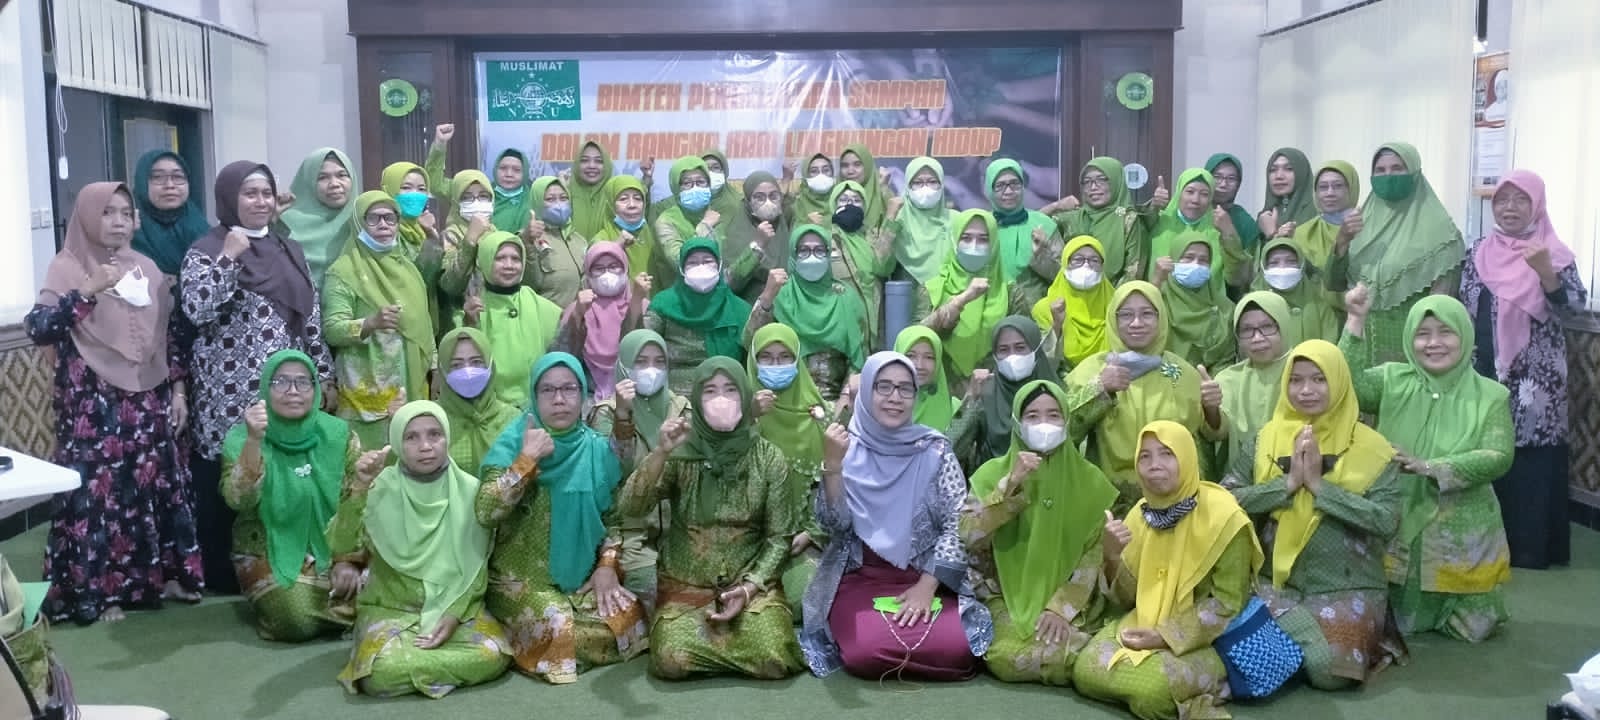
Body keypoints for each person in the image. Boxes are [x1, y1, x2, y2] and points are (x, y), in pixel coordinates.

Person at [28, 181, 203, 623]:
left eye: (126, 213)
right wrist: (86, 292)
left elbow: (169, 337)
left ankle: (160, 578)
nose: (119, 222)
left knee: (153, 485)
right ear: (88, 217)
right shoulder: (67, 267)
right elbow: (39, 327)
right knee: (99, 496)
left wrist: (178, 390)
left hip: (147, 397)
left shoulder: (146, 267)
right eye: (107, 212)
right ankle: (102, 593)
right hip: (91, 404)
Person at [182, 160, 335, 595]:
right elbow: (197, 309)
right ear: (229, 199)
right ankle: (223, 573)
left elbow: (309, 316)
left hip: (283, 389)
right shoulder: (206, 250)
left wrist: (324, 374)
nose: (261, 201)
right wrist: (230, 258)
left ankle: (277, 564)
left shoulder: (288, 249)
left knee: (279, 472)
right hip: (227, 392)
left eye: (267, 193)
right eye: (250, 193)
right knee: (232, 473)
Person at [801, 352, 993, 681]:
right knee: (865, 650)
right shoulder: (845, 448)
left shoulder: (935, 450)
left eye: (905, 388)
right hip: (861, 577)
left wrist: (926, 587)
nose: (895, 397)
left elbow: (956, 524)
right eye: (884, 386)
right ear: (867, 392)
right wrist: (832, 466)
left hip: (924, 577)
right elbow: (834, 525)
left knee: (958, 648)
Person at [1223, 340, 1405, 688]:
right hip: (1275, 583)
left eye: (1319, 379)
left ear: (1338, 382)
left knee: (1329, 673)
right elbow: (1224, 500)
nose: (1306, 390)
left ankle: (1280, 647)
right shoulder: (1265, 440)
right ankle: (1292, 641)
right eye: (1296, 380)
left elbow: (1386, 521)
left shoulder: (1374, 449)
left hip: (1347, 586)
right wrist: (1288, 484)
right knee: (1232, 632)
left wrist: (1321, 489)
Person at [617, 358, 806, 680]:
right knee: (671, 660)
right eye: (710, 391)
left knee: (775, 656)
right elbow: (631, 506)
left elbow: (779, 538)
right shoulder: (681, 453)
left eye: (731, 390)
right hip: (686, 585)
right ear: (696, 400)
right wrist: (661, 453)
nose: (721, 399)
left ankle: (722, 644)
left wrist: (749, 588)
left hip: (749, 584)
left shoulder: (768, 457)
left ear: (745, 397)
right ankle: (727, 649)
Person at [1343, 292, 1516, 642]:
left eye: (1445, 332)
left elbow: (1499, 455)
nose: (1433, 343)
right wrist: (1355, 320)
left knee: (1475, 626)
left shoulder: (1491, 395)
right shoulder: (1392, 380)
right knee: (1390, 616)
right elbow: (1345, 384)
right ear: (1409, 338)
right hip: (1398, 506)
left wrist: (1431, 467)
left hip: (1461, 518)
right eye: (1422, 334)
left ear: (1465, 336)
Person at [476, 353, 649, 683]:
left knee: (632, 619)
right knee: (559, 628)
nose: (559, 399)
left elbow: (613, 518)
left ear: (583, 396)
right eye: (548, 390)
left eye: (569, 389)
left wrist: (606, 567)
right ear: (534, 395)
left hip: (582, 579)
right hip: (521, 580)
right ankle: (537, 634)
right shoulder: (515, 442)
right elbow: (486, 512)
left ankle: (532, 639)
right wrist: (526, 460)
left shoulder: (595, 449)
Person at [1072, 421, 1262, 720]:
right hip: (1143, 621)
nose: (1154, 465)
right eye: (1144, 456)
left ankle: (1204, 687)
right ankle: (1178, 692)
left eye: (1166, 454)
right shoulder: (1141, 513)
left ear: (1186, 457)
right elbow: (1126, 599)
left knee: (1151, 694)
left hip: (1210, 639)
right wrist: (1111, 556)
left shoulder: (1225, 517)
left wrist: (1164, 636)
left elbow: (1227, 604)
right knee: (1085, 671)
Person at [332, 402, 512, 698]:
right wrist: (359, 489)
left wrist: (454, 614)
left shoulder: (469, 490)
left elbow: (476, 565)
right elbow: (343, 545)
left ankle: (415, 671)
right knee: (381, 672)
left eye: (434, 435)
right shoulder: (378, 488)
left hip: (456, 606)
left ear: (447, 438)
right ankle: (424, 670)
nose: (425, 446)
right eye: (411, 437)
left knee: (493, 654)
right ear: (397, 442)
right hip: (391, 609)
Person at [1460, 169, 1587, 569]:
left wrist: (1546, 273)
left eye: (1520, 200)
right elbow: (1464, 307)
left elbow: (1574, 310)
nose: (1510, 208)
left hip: (1535, 377)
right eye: (1502, 200)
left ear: (1537, 206)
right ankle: (1485, 544)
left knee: (1529, 455)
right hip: (1482, 369)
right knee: (1486, 448)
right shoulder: (1478, 252)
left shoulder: (1554, 253)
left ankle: (1529, 548)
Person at [962, 380, 1119, 686]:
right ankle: (1080, 660)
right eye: (1032, 416)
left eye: (1053, 415)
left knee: (1062, 646)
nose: (1043, 424)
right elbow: (970, 537)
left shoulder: (1091, 481)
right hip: (1005, 594)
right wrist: (1010, 486)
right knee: (1007, 657)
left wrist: (1060, 609)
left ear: (1067, 421)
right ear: (1017, 423)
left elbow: (1093, 554)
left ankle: (1082, 654)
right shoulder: (991, 474)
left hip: (1073, 599)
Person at [220, 350, 356, 641]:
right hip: (266, 548)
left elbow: (357, 501)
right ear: (265, 388)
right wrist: (254, 442)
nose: (293, 391)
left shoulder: (338, 434)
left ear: (316, 390)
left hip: (336, 547)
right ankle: (353, 613)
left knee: (397, 582)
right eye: (280, 382)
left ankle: (336, 603)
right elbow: (239, 500)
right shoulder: (241, 438)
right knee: (294, 619)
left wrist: (347, 559)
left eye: (303, 382)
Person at [1067, 282, 1220, 506]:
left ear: (1161, 318)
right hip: (1112, 502)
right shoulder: (1091, 371)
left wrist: (1212, 410)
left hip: (1178, 499)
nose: (1136, 323)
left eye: (1147, 314)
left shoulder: (1184, 373)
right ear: (1113, 319)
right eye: (1126, 315)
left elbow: (1208, 438)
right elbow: (1065, 432)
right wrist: (1099, 389)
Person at [1326, 141, 1464, 367]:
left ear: (1415, 173)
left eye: (1397, 168)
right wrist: (1342, 241)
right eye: (1380, 170)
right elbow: (1333, 283)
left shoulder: (1441, 235)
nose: (1388, 176)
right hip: (1362, 347)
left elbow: (1441, 308)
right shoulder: (1360, 223)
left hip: (1413, 354)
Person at [322, 191, 437, 450]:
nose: (383, 224)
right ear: (359, 223)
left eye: (390, 218)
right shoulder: (343, 272)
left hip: (413, 384)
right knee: (368, 464)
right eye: (373, 218)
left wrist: (435, 368)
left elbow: (424, 323)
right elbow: (332, 329)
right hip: (368, 396)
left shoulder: (408, 268)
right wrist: (369, 323)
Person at [587, 329, 691, 610]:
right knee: (652, 592)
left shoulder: (681, 409)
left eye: (659, 362)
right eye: (641, 362)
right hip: (629, 534)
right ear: (624, 366)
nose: (651, 370)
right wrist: (623, 416)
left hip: (678, 530)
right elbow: (611, 475)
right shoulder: (606, 413)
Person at [745, 323, 831, 617]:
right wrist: (749, 418)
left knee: (803, 601)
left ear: (798, 361)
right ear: (754, 362)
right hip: (747, 540)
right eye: (766, 358)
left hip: (799, 540)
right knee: (746, 603)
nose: (776, 365)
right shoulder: (737, 416)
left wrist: (811, 533)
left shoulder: (820, 418)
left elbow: (832, 487)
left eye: (784, 357)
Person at [751, 224, 869, 399]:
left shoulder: (846, 297)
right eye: (803, 251)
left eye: (819, 250)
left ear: (828, 254)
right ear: (793, 255)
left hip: (837, 400)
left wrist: (843, 403)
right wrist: (767, 297)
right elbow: (751, 343)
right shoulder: (780, 294)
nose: (812, 257)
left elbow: (858, 357)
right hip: (785, 399)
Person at [460, 231, 564, 409]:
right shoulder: (475, 307)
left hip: (536, 405)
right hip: (491, 408)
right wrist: (470, 322)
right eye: (500, 258)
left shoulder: (536, 302)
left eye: (515, 259)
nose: (509, 265)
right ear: (485, 260)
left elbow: (565, 336)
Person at [918, 209, 1013, 392]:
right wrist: (962, 300)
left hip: (995, 388)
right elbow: (916, 337)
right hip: (939, 388)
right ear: (954, 241)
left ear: (994, 244)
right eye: (966, 238)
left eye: (983, 239)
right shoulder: (933, 289)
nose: (974, 246)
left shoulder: (1009, 292)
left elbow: (1024, 345)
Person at [643, 238, 754, 393]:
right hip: (675, 397)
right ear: (681, 268)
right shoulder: (663, 304)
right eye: (692, 263)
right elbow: (643, 345)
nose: (701, 267)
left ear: (719, 265)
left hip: (725, 393)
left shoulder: (739, 309)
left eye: (707, 261)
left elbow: (753, 355)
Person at [953, 316, 1059, 473]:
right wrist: (971, 397)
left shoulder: (1054, 392)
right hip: (993, 482)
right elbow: (951, 448)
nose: (1012, 356)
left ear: (1036, 350)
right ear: (995, 355)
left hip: (1050, 479)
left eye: (1020, 348)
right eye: (1003, 350)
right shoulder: (987, 392)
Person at [1213, 292, 1294, 471]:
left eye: (1267, 327)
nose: (1257, 338)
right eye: (1247, 330)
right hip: (1243, 477)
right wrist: (1210, 408)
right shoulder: (1228, 379)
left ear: (1284, 325)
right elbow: (1219, 434)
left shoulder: (1305, 371)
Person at [1047, 157, 1161, 284]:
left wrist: (1111, 296)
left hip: (1114, 294)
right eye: (1087, 182)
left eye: (1101, 180)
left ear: (1116, 181)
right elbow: (1033, 224)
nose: (1093, 187)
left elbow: (1134, 272)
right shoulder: (1072, 218)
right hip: (1071, 292)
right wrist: (1055, 206)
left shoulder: (1128, 220)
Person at [560, 242, 646, 401]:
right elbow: (563, 357)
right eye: (599, 268)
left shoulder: (642, 304)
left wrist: (635, 303)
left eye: (614, 266)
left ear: (625, 269)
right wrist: (578, 314)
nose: (607, 274)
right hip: (587, 396)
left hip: (637, 393)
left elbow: (644, 353)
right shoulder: (578, 307)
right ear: (588, 274)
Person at [1148, 168, 1251, 295]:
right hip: (1162, 302)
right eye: (1190, 192)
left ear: (1211, 198)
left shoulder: (1218, 231)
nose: (1195, 200)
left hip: (1208, 304)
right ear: (1179, 193)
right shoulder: (1159, 222)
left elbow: (1236, 278)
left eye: (1204, 194)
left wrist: (1229, 233)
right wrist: (1153, 206)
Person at [435, 327, 520, 472]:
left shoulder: (513, 419)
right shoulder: (431, 419)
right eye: (456, 365)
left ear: (490, 364)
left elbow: (523, 478)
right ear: (442, 370)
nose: (467, 371)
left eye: (476, 362)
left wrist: (526, 462)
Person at [824, 180, 897, 344]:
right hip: (840, 322)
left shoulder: (873, 237)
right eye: (843, 200)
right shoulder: (825, 239)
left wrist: (890, 220)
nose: (850, 204)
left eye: (856, 200)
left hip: (874, 319)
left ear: (864, 206)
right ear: (834, 204)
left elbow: (884, 268)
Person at [1151, 231, 1236, 370]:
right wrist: (1157, 280)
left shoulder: (1225, 309)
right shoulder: (1158, 299)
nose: (1195, 264)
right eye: (1188, 257)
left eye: (1203, 260)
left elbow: (1225, 360)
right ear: (1173, 260)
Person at [983, 158, 1064, 301]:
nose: (1009, 191)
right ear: (989, 189)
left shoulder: (1043, 224)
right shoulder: (982, 227)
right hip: (991, 306)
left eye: (1014, 183)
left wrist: (1041, 256)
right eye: (1000, 185)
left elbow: (1063, 276)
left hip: (1035, 309)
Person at [279, 147, 359, 288]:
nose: (334, 184)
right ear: (308, 182)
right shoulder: (283, 223)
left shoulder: (366, 220)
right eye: (322, 177)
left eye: (342, 175)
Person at [1032, 235, 1112, 370]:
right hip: (1061, 379)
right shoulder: (1044, 309)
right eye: (1078, 260)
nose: (1086, 265)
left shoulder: (1117, 306)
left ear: (1103, 266)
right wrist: (1057, 325)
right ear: (1065, 263)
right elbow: (1043, 365)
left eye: (1094, 260)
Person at [128, 150, 211, 278]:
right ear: (142, 182)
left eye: (178, 177)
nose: (170, 185)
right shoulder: (128, 230)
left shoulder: (199, 227)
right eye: (157, 177)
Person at [436, 169, 499, 316]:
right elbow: (450, 285)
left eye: (483, 196)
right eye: (467, 197)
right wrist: (470, 240)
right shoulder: (450, 235)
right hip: (464, 317)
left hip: (495, 314)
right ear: (456, 202)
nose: (476, 202)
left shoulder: (495, 232)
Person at [1254, 237, 1341, 344]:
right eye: (1274, 263)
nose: (1283, 268)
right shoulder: (1251, 307)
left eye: (1291, 261)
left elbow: (1329, 347)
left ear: (1302, 266)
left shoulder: (1321, 308)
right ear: (1263, 267)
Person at [654, 157, 724, 287]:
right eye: (687, 183)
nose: (695, 188)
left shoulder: (713, 215)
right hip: (678, 294)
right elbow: (679, 262)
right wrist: (705, 226)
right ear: (676, 188)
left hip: (715, 291)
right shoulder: (666, 221)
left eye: (701, 182)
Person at [720, 170, 788, 304]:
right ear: (748, 201)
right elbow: (730, 284)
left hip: (785, 305)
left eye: (773, 196)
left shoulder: (783, 224)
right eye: (759, 197)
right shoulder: (736, 231)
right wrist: (758, 245)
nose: (768, 202)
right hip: (749, 305)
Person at [523, 176, 589, 308]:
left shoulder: (579, 240)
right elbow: (527, 285)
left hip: (578, 317)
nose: (559, 204)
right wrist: (527, 242)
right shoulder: (527, 239)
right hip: (546, 317)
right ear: (537, 202)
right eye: (550, 199)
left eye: (563, 198)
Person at [889, 156, 955, 284]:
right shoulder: (897, 220)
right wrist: (890, 220)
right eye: (918, 183)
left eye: (932, 182)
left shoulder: (956, 220)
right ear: (908, 186)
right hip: (906, 294)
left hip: (949, 293)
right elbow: (881, 268)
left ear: (942, 185)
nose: (925, 188)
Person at [590, 175, 659, 289]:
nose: (632, 205)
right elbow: (593, 275)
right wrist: (616, 246)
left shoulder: (650, 233)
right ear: (611, 205)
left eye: (638, 198)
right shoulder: (601, 240)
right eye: (623, 199)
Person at [1291, 160, 1361, 269]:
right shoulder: (1303, 234)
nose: (1330, 193)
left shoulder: (1366, 227)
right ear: (1315, 192)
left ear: (1351, 188)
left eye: (1338, 186)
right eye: (1323, 187)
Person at [893, 326, 961, 432]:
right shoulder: (882, 409)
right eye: (911, 356)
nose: (920, 365)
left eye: (929, 357)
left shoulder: (955, 411)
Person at [1256, 147, 1317, 243]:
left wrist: (1273, 235)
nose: (1279, 176)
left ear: (1302, 173)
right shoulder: (1265, 216)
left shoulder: (1316, 213)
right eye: (1273, 170)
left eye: (1289, 169)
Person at [1204, 153, 1260, 254]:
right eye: (1217, 177)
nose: (1223, 184)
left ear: (1238, 184)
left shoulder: (1245, 222)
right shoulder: (1193, 212)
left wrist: (1229, 231)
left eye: (1231, 178)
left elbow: (1250, 261)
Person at [566, 140, 616, 238]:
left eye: (599, 161)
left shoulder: (615, 195)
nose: (591, 166)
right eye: (584, 160)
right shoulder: (564, 194)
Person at [785, 152, 835, 228]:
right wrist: (807, 225)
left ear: (832, 173)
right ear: (806, 175)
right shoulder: (796, 205)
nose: (820, 175)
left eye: (826, 170)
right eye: (814, 171)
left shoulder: (841, 200)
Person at [490, 148, 534, 234]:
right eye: (503, 168)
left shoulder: (534, 198)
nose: (509, 174)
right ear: (495, 169)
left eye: (516, 170)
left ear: (525, 172)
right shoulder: (484, 194)